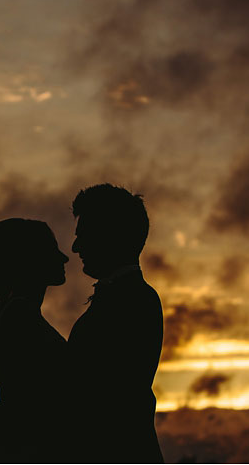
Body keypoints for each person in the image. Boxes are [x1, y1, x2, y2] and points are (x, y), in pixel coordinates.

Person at [0, 218, 70, 463]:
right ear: (29, 258)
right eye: (51, 250)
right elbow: (28, 406)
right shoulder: (20, 316)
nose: (65, 258)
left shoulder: (16, 312)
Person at [67, 183, 164, 463]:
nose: (75, 247)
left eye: (82, 235)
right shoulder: (128, 296)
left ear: (108, 236)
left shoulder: (134, 300)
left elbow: (102, 399)